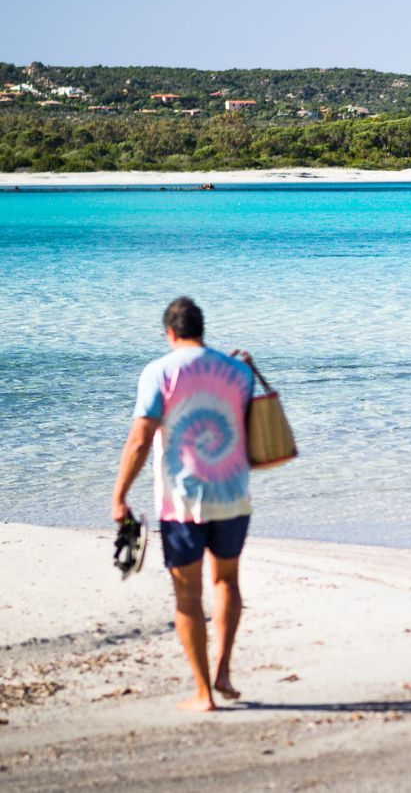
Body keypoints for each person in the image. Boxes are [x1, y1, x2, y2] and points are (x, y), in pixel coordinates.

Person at [110, 297, 255, 712]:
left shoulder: (158, 371)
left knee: (187, 594)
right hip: (233, 495)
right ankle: (224, 670)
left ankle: (204, 693)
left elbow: (140, 440)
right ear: (202, 329)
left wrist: (119, 494)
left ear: (169, 333)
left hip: (182, 502)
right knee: (226, 581)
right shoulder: (238, 370)